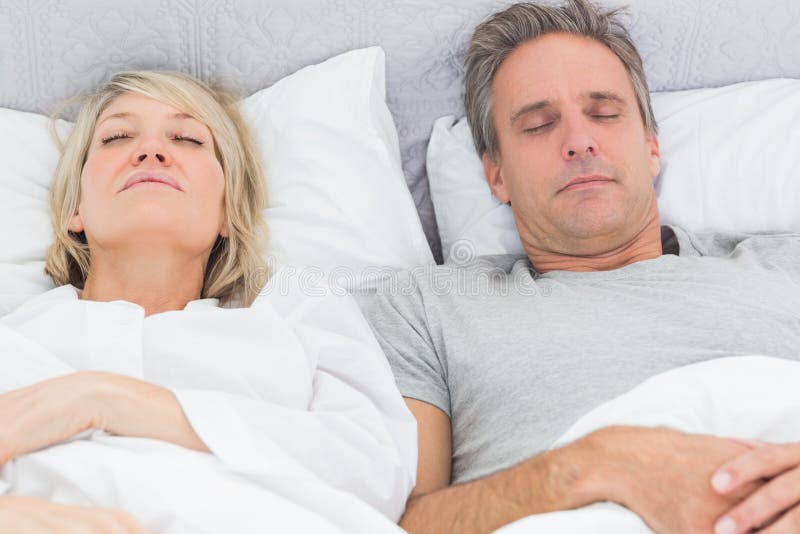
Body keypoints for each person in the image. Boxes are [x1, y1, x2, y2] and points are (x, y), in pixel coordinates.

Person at [358, 1, 800, 533]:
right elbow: (394, 524)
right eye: (540, 124)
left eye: (606, 113)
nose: (579, 140)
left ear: (652, 146)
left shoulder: (784, 265)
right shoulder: (426, 309)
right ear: (495, 175)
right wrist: (594, 464)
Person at [0, 71, 415, 533]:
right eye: (117, 137)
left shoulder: (296, 313)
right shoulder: (13, 340)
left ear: (227, 211)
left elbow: (376, 474)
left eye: (187, 139)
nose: (151, 151)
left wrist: (104, 400)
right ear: (75, 206)